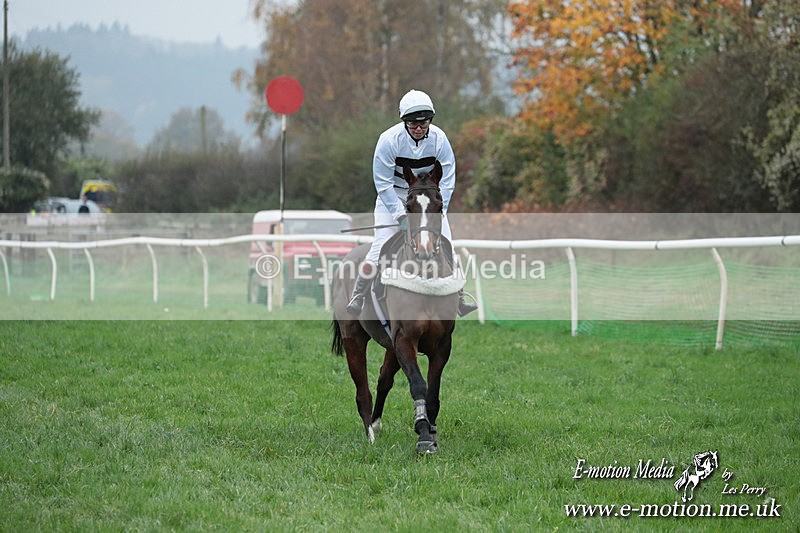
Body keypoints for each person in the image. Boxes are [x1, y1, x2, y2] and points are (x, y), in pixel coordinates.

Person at [346, 89, 477, 317]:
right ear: (404, 122)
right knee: (378, 249)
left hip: (428, 200)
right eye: (413, 123)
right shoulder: (388, 141)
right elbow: (383, 183)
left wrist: (438, 211)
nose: (419, 128)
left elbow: (448, 180)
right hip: (394, 197)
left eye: (423, 123)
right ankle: (359, 295)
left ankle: (461, 297)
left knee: (450, 249)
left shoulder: (439, 139)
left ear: (430, 121)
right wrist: (400, 216)